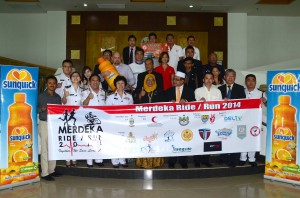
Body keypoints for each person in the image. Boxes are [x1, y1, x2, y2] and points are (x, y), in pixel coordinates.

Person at [165, 71, 195, 168]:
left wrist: (186, 101)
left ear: (182, 81)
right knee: (172, 139)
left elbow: (194, 102)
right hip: (172, 120)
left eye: (177, 80)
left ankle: (183, 160)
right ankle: (171, 161)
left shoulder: (190, 91)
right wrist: (169, 102)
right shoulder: (168, 91)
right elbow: (163, 103)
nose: (175, 81)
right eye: (174, 79)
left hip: (184, 120)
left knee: (184, 139)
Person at [135, 74, 165, 168]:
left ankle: (156, 162)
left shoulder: (159, 91)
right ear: (145, 81)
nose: (150, 82)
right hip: (143, 122)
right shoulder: (141, 91)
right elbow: (135, 105)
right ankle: (142, 162)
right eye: (148, 80)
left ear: (155, 81)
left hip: (156, 121)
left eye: (152, 80)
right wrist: (140, 96)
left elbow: (163, 105)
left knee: (155, 139)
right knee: (145, 140)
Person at [218, 69, 246, 167]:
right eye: (228, 76)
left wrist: (231, 102)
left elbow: (243, 103)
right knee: (223, 137)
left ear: (235, 77)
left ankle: (234, 159)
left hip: (236, 118)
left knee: (235, 138)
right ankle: (223, 157)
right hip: (223, 118)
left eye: (232, 76)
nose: (230, 78)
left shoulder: (240, 88)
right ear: (224, 77)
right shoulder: (219, 89)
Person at [194, 72, 222, 168]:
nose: (209, 80)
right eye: (206, 78)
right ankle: (197, 161)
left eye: (211, 78)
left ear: (213, 80)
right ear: (203, 80)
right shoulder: (198, 91)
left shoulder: (217, 91)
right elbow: (195, 106)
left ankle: (206, 160)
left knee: (208, 140)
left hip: (213, 119)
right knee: (198, 140)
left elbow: (220, 106)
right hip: (200, 120)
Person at [239, 74, 267, 167]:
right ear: (245, 82)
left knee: (253, 139)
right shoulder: (241, 92)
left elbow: (267, 105)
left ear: (255, 82)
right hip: (242, 120)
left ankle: (251, 159)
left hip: (255, 121)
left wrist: (264, 101)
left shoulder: (261, 93)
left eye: (253, 80)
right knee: (242, 138)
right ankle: (242, 158)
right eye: (248, 80)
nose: (250, 82)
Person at [38, 76, 62, 181]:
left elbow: (59, 111)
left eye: (53, 83)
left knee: (53, 148)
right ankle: (44, 173)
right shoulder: (41, 96)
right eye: (49, 83)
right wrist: (41, 108)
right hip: (44, 123)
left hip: (54, 124)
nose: (52, 85)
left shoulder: (57, 97)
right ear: (46, 84)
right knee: (45, 149)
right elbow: (34, 108)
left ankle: (52, 170)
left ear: (56, 85)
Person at [106, 76, 133, 168]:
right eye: (118, 83)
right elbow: (107, 112)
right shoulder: (110, 98)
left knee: (124, 141)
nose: (120, 85)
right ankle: (115, 160)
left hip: (125, 124)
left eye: (122, 83)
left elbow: (132, 111)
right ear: (115, 85)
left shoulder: (129, 97)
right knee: (115, 141)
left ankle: (122, 160)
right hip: (114, 124)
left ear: (125, 85)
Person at [81, 74, 106, 168]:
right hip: (89, 120)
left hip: (101, 120)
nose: (95, 82)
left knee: (100, 139)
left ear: (99, 82)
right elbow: (83, 105)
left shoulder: (103, 92)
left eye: (97, 80)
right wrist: (88, 97)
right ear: (89, 82)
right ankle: (89, 161)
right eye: (93, 80)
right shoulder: (85, 92)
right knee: (90, 140)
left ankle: (99, 160)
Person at [62, 71, 83, 168]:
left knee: (76, 138)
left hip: (78, 117)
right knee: (68, 138)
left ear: (80, 78)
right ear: (70, 78)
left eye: (77, 75)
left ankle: (74, 159)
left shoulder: (83, 90)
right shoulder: (66, 89)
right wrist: (64, 96)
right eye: (73, 76)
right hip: (68, 117)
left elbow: (83, 104)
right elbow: (64, 102)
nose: (75, 77)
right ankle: (67, 159)